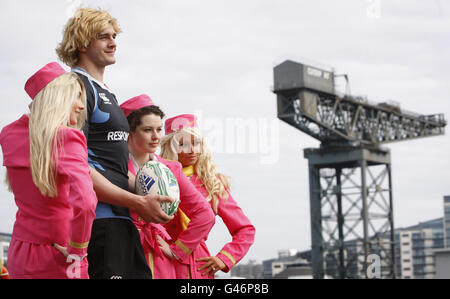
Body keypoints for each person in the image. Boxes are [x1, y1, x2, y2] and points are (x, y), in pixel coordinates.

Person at [56, 8, 173, 279]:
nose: (113, 42)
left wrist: (147, 193)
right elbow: (79, 167)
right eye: (103, 36)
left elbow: (113, 166)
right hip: (99, 221)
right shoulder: (76, 88)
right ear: (82, 43)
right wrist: (138, 201)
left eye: (114, 35)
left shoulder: (106, 91)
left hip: (122, 219)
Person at [0, 62, 97, 279]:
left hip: (19, 252)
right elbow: (86, 201)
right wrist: (77, 251)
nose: (81, 105)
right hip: (61, 253)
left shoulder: (7, 135)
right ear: (58, 98)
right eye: (76, 96)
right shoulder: (67, 137)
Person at [120, 94, 215, 279]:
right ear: (130, 131)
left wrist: (178, 250)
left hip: (158, 261)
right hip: (121, 253)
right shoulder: (113, 165)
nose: (156, 136)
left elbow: (205, 215)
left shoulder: (171, 168)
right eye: (148, 130)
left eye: (159, 129)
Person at [160, 114, 256, 278]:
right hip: (161, 258)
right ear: (171, 146)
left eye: (196, 143)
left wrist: (224, 258)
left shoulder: (212, 183)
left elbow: (245, 230)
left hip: (198, 265)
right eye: (183, 144)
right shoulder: (157, 177)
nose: (192, 150)